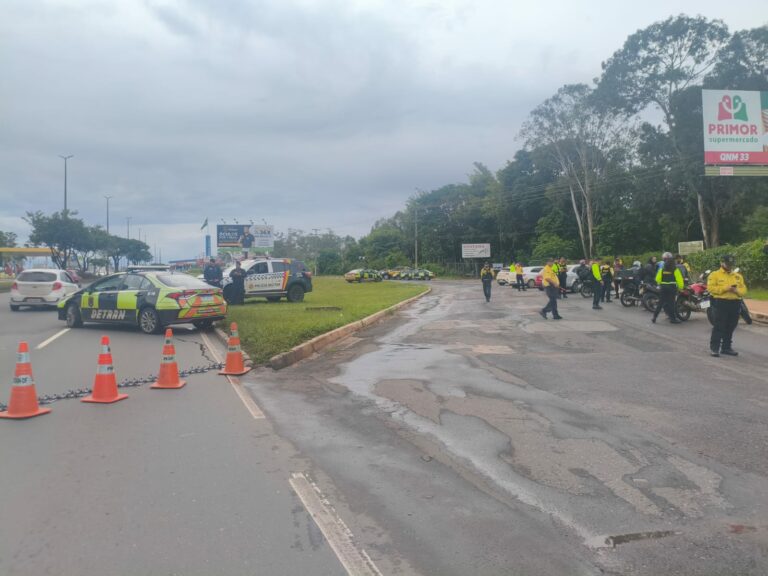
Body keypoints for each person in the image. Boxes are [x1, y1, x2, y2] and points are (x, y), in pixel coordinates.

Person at [707, 254, 747, 357]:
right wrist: (725, 288)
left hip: (735, 303)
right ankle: (714, 348)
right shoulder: (714, 275)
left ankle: (726, 347)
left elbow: (743, 290)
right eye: (727, 264)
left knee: (731, 325)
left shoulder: (737, 276)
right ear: (722, 263)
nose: (729, 266)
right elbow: (711, 289)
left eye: (731, 264)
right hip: (721, 303)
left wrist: (736, 290)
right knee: (719, 326)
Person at [652, 252, 684, 324]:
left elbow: (657, 279)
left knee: (660, 303)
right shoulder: (675, 270)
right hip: (672, 288)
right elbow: (679, 280)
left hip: (663, 288)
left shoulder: (662, 270)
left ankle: (654, 317)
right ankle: (673, 319)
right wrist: (680, 287)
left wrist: (661, 283)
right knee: (671, 304)